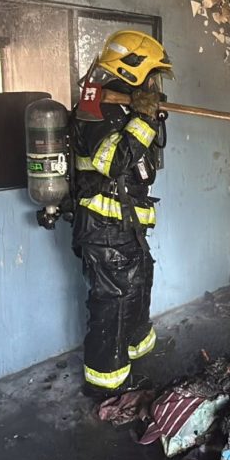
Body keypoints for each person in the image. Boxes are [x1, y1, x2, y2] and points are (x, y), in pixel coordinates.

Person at [71, 30, 171, 398]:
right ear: (132, 72)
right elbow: (111, 162)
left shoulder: (122, 109)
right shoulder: (95, 109)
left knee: (138, 285)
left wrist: (146, 115)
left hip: (125, 227)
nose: (155, 84)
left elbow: (142, 164)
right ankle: (106, 384)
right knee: (112, 304)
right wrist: (143, 118)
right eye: (151, 76)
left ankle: (134, 361)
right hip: (103, 228)